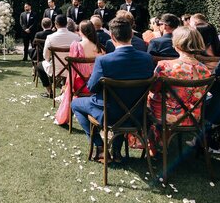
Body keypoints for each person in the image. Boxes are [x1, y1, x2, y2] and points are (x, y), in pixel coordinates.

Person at [71, 18, 155, 162]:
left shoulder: (104, 61)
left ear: (113, 37)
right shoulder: (147, 58)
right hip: (137, 113)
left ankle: (100, 147)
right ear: (131, 35)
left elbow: (91, 87)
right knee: (124, 101)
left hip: (110, 114)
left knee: (75, 104)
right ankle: (116, 150)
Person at [148, 27, 213, 128]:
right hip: (194, 117)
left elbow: (153, 89)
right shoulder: (205, 70)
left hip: (167, 116)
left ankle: (151, 141)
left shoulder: (165, 66)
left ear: (177, 44)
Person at [54, 20, 103, 125]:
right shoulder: (100, 49)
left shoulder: (76, 45)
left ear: (81, 31)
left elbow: (72, 71)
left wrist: (68, 86)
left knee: (71, 84)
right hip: (97, 86)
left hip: (80, 85)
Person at [42, 14, 80, 97]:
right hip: (73, 69)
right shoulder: (76, 37)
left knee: (39, 66)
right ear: (66, 24)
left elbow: (46, 57)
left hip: (57, 69)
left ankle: (50, 91)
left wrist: (49, 60)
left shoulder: (50, 37)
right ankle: (65, 88)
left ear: (55, 24)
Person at [33, 18, 56, 96]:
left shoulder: (38, 34)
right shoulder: (54, 34)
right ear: (51, 25)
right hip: (54, 57)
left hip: (42, 56)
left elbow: (34, 45)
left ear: (42, 25)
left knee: (33, 53)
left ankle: (49, 90)